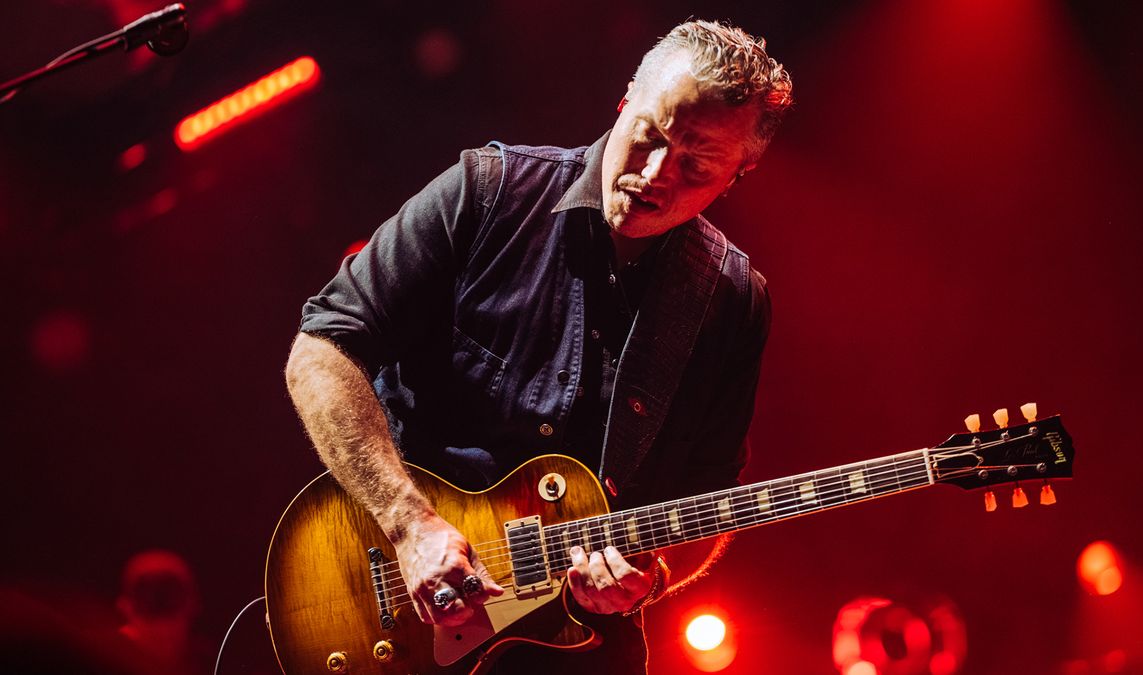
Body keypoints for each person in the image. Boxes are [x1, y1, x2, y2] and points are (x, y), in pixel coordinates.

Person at [285, 19, 791, 672]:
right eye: (651, 135)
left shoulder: (732, 299)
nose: (658, 174)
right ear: (626, 97)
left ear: (738, 175)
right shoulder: (489, 189)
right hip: (391, 601)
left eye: (696, 163)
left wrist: (654, 577)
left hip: (578, 650)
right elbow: (322, 347)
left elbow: (709, 495)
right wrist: (408, 523)